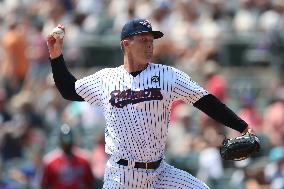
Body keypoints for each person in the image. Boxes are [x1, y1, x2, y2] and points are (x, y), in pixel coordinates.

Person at [47, 18, 256, 189]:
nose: (150, 45)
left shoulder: (167, 75)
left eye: (151, 40)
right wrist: (56, 57)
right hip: (121, 176)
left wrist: (242, 126)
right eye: (143, 40)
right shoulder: (105, 79)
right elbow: (68, 90)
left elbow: (206, 101)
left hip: (160, 173)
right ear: (125, 44)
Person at [41, 124, 95, 189]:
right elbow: (44, 184)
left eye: (68, 138)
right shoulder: (50, 161)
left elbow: (90, 183)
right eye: (64, 138)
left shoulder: (84, 160)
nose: (66, 142)